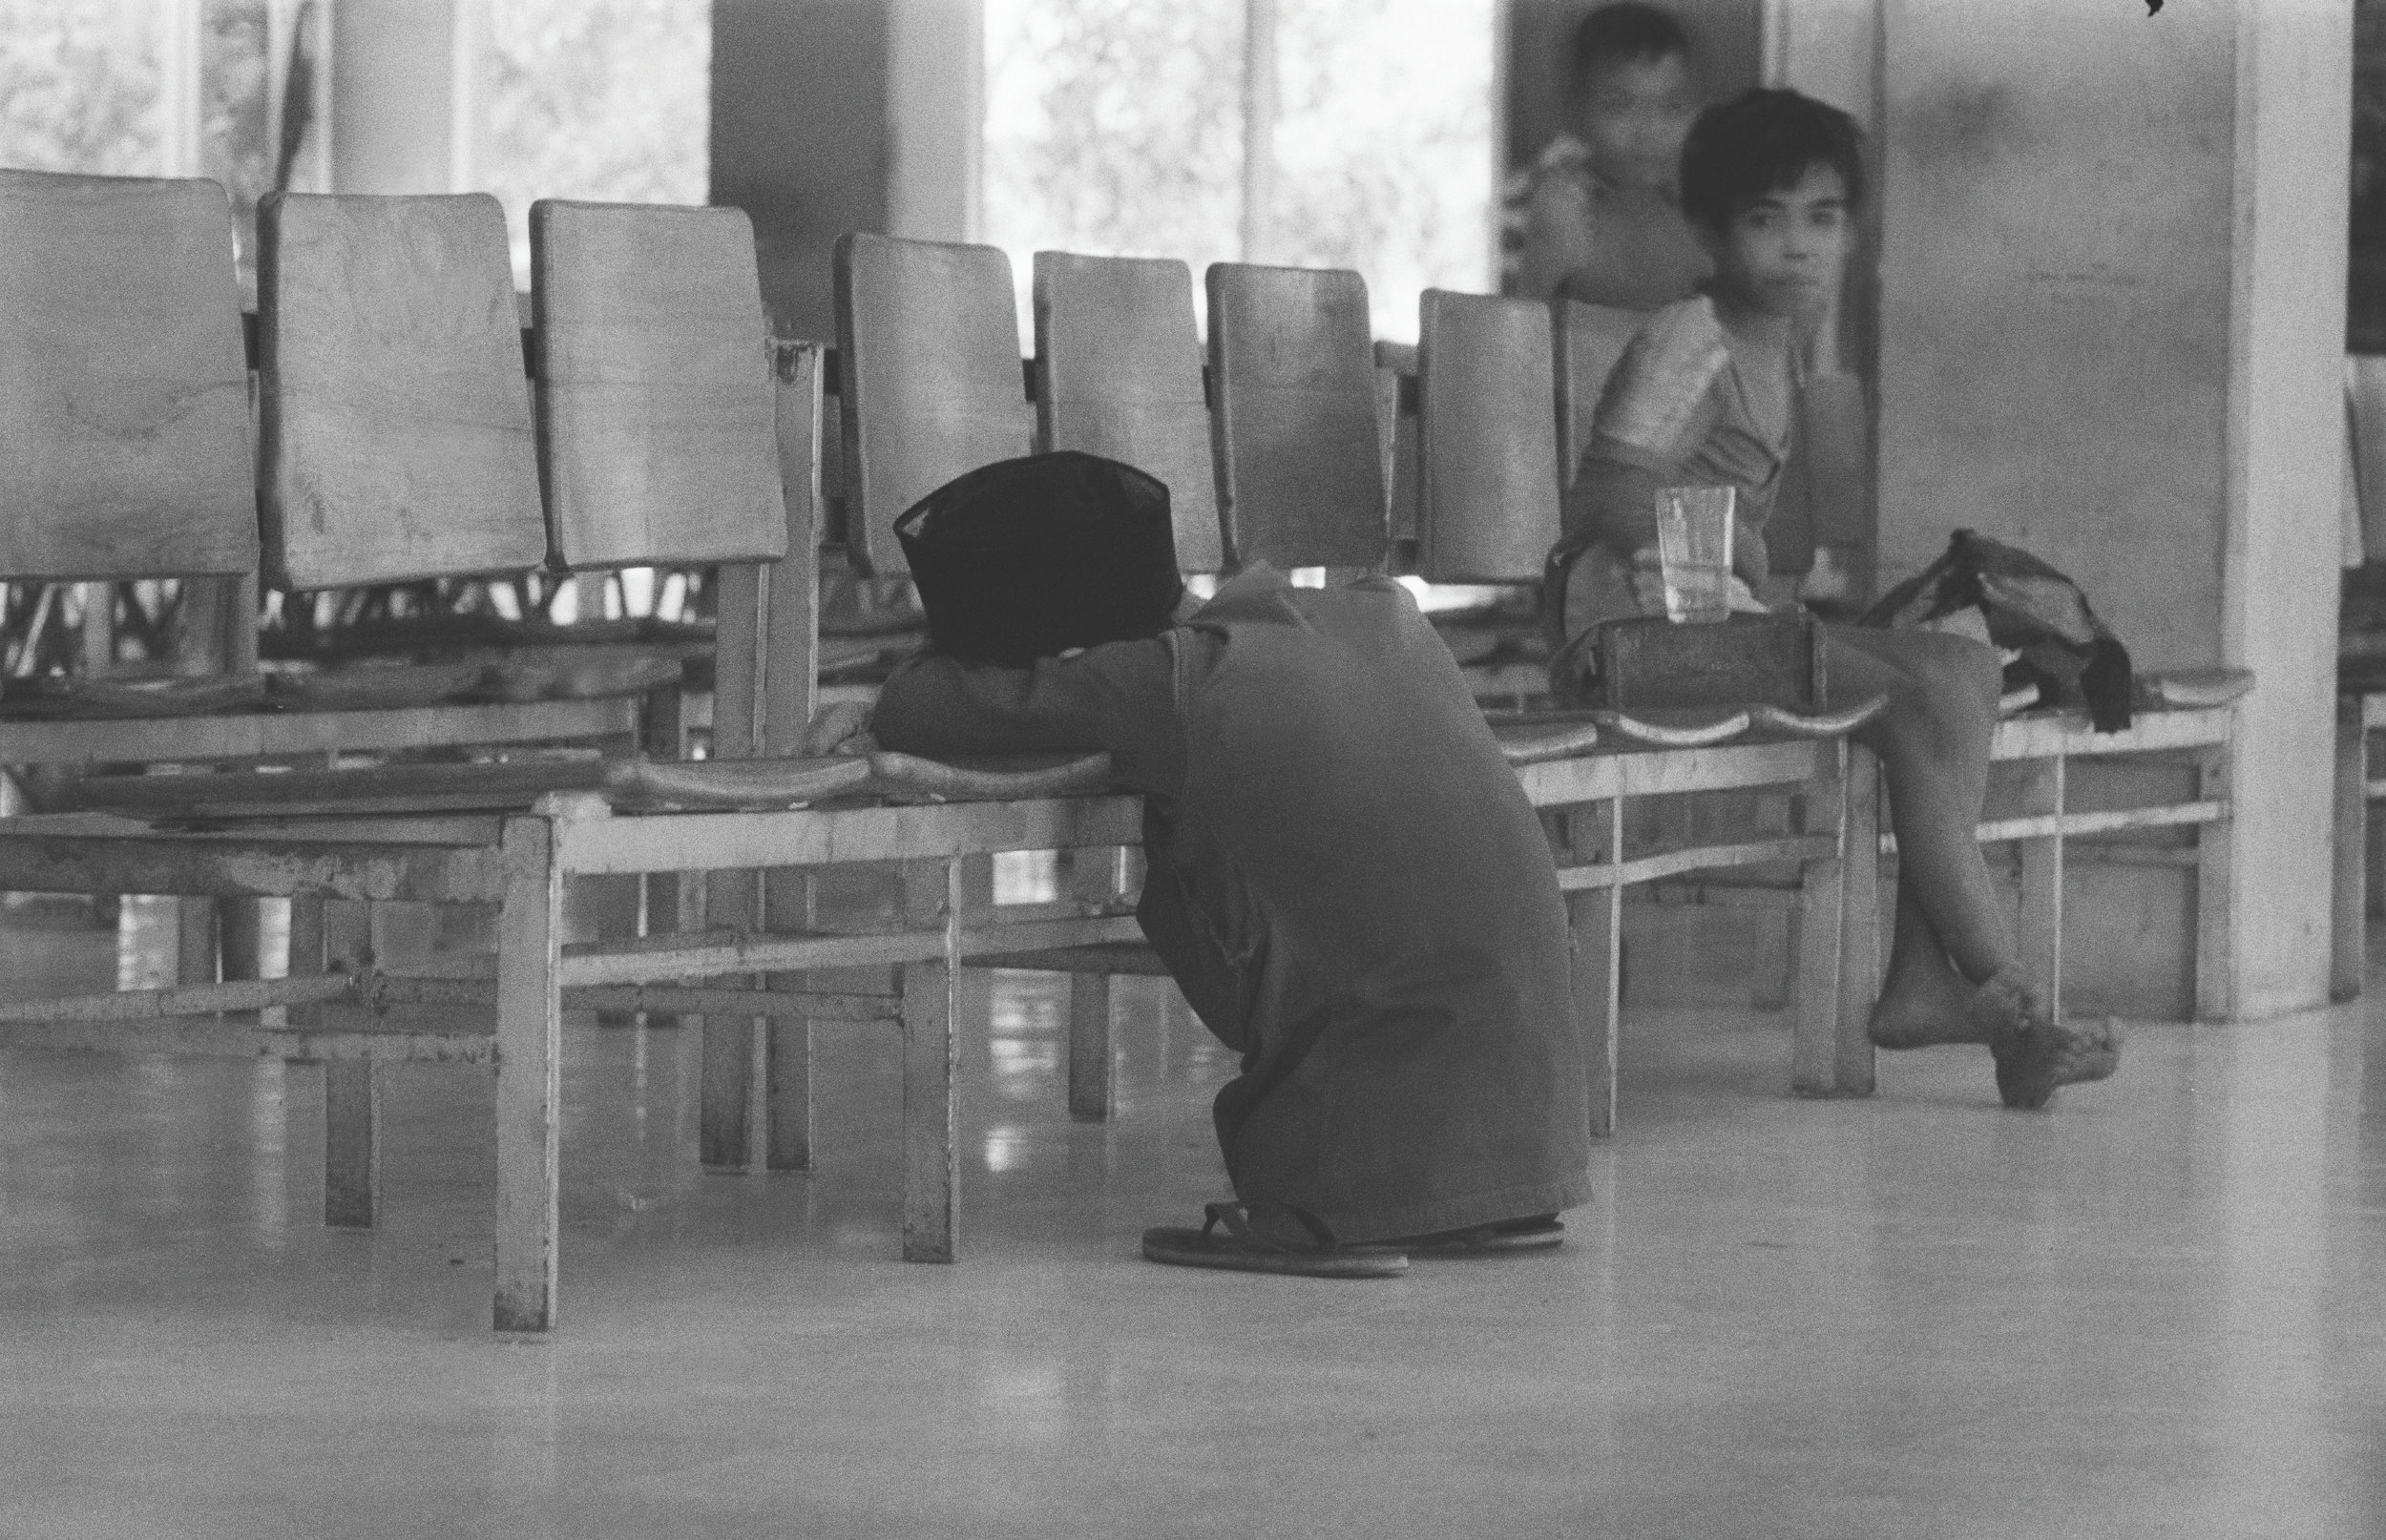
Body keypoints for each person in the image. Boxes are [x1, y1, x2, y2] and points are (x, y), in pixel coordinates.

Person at [865, 451, 1594, 1278]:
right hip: (1541, 1148)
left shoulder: (1168, 684)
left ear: (1072, 652)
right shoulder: (1379, 616)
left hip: (1364, 1180)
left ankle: (1350, 1196)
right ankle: (1479, 1195)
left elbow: (919, 708)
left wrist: (939, 673)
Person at [1544, 88, 2124, 1110]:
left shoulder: (1788, 347)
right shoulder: (1696, 339)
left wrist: (1754, 566)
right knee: (1905, 702)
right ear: (1712, 231)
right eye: (1765, 220)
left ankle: (1917, 989)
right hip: (1636, 633)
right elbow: (1605, 491)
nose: (1798, 246)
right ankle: (2005, 998)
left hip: (1728, 627)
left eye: (1821, 219)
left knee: (1965, 669)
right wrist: (1710, 554)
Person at [1503, 2, 1711, 310]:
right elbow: (1515, 333)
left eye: (1672, 108)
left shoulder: (1706, 200)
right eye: (1620, 105)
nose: (1649, 129)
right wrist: (1543, 264)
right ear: (1577, 111)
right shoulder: (1558, 203)